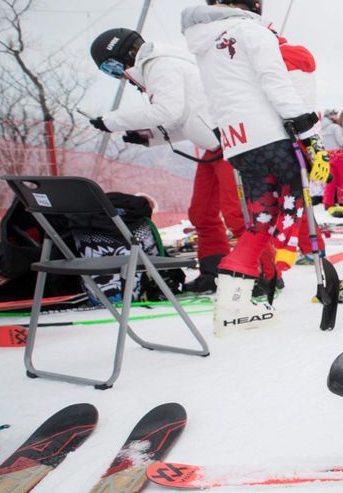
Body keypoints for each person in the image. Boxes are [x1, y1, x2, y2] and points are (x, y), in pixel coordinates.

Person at [181, 0, 320, 335]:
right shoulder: (252, 31)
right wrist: (307, 129)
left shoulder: (203, 45)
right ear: (254, 3)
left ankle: (233, 299)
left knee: (261, 219)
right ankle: (285, 265)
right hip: (271, 137)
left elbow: (210, 99)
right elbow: (275, 80)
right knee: (292, 205)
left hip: (238, 144)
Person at [88, 27, 241, 295]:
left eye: (113, 68)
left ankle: (262, 273)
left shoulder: (160, 65)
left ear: (126, 54)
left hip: (231, 144)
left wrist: (112, 120)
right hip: (213, 147)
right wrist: (149, 138)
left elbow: (167, 110)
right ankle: (213, 274)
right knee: (202, 213)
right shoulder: (156, 68)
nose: (118, 76)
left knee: (237, 214)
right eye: (109, 72)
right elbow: (182, 119)